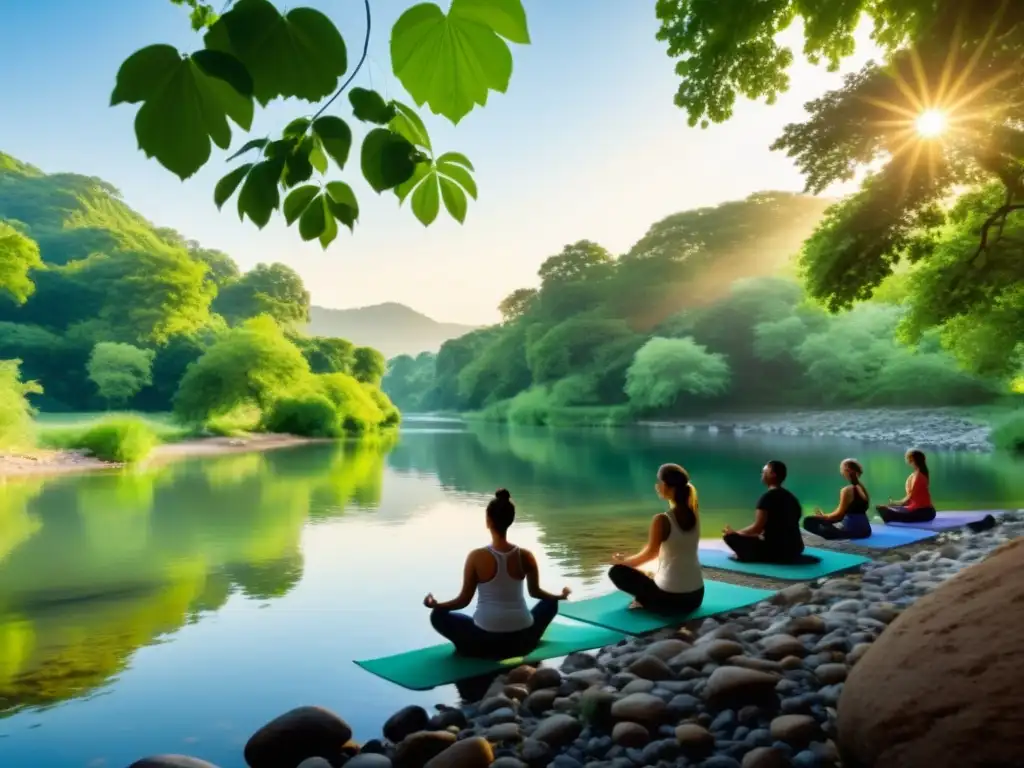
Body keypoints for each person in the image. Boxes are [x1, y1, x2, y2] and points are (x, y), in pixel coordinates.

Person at [424, 488, 571, 659]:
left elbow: (463, 601)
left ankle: (471, 649)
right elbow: (535, 592)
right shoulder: (525, 555)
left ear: (488, 521)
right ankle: (521, 644)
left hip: (486, 641)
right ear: (511, 520)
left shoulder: (476, 556)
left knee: (438, 616)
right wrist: (559, 596)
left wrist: (436, 605)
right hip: (524, 639)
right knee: (550, 603)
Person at [607, 463, 705, 614]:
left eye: (659, 482)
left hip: (671, 601)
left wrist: (622, 562)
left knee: (616, 572)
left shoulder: (662, 520)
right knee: (652, 573)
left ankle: (644, 602)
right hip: (696, 597)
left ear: (667, 486)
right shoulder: (695, 515)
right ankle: (647, 597)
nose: (657, 486)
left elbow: (650, 554)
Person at [722, 459, 809, 563]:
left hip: (775, 551)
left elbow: (757, 528)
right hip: (796, 549)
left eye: (764, 472)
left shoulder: (767, 498)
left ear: (773, 474)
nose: (762, 474)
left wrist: (736, 533)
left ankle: (752, 556)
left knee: (729, 537)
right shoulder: (792, 498)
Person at [803, 459, 872, 540]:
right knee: (828, 521)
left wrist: (822, 517)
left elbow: (838, 515)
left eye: (841, 469)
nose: (841, 472)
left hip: (852, 531)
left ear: (847, 470)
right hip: (866, 530)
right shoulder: (862, 488)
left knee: (808, 520)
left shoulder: (847, 490)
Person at [876, 449, 937, 524]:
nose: (908, 461)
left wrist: (895, 503)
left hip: (924, 512)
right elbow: (911, 499)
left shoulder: (919, 476)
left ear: (913, 460)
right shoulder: (917, 474)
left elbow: (909, 497)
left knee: (882, 509)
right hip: (921, 510)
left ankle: (892, 517)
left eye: (909, 459)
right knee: (886, 509)